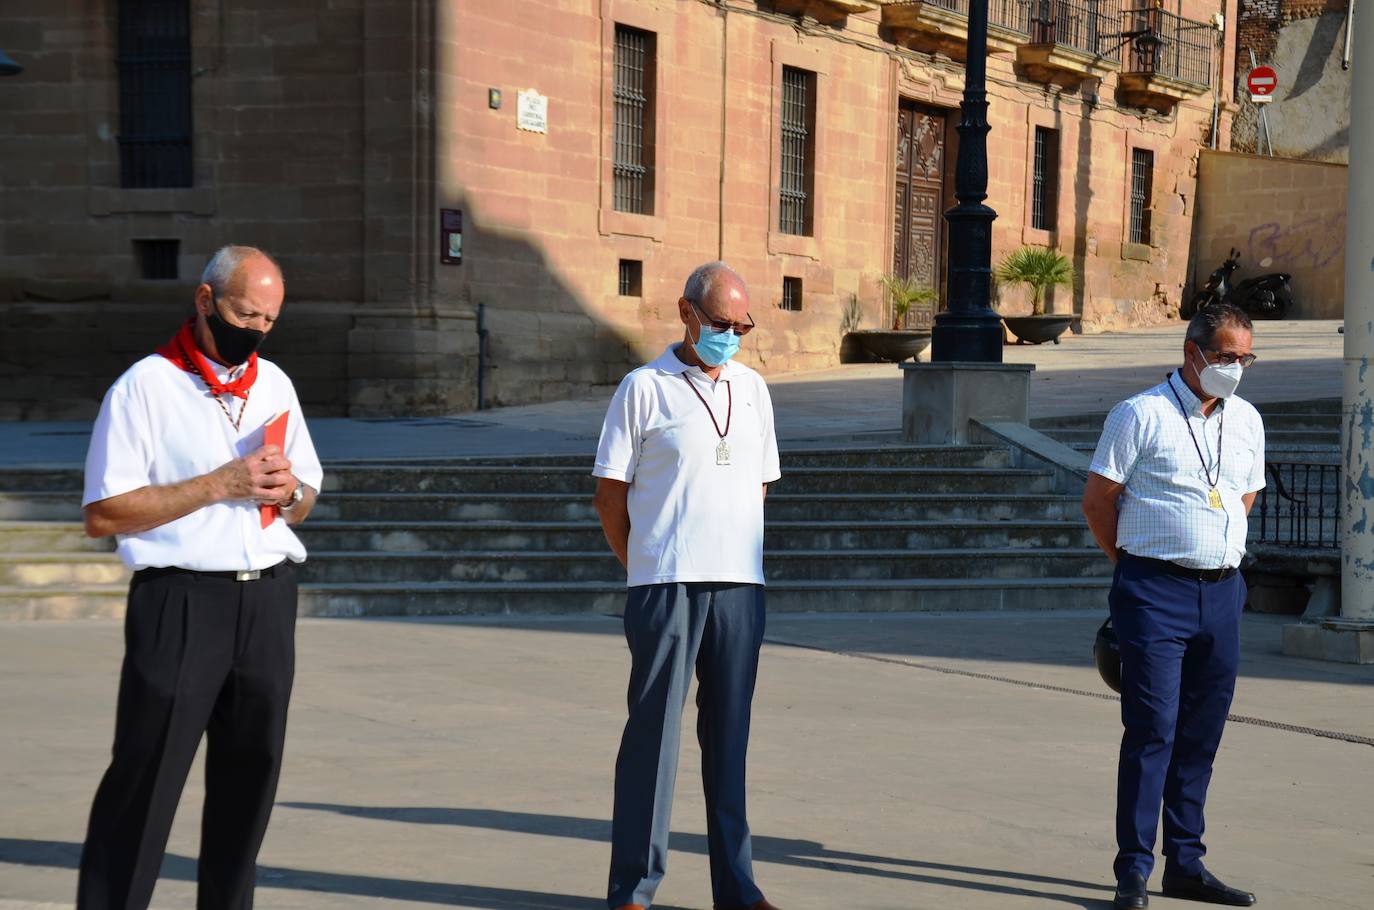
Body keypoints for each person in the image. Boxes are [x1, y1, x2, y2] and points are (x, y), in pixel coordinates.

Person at [77, 245, 323, 910]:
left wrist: (289, 488)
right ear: (206, 302)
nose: (258, 331)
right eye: (248, 314)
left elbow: (307, 496)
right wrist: (220, 484)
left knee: (251, 781)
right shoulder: (144, 387)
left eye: (271, 320)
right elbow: (103, 512)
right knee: (147, 777)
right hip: (181, 600)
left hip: (268, 597)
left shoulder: (274, 384)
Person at [593, 262, 782, 910]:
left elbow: (757, 485)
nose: (732, 335)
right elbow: (609, 496)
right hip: (666, 585)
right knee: (653, 739)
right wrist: (641, 562)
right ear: (687, 313)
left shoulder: (755, 390)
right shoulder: (643, 389)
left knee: (730, 739)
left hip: (739, 587)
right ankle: (633, 890)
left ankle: (737, 886)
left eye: (742, 325)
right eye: (722, 323)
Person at [1082, 303, 1264, 910]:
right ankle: (1132, 868)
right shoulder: (1141, 413)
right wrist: (1130, 566)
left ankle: (1186, 863)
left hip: (1222, 592)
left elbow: (1246, 491)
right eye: (1227, 357)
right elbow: (1098, 500)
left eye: (1245, 359)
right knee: (1152, 729)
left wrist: (1217, 543)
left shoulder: (1247, 420)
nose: (1236, 369)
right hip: (1154, 591)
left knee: (1201, 734)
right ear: (1195, 353)